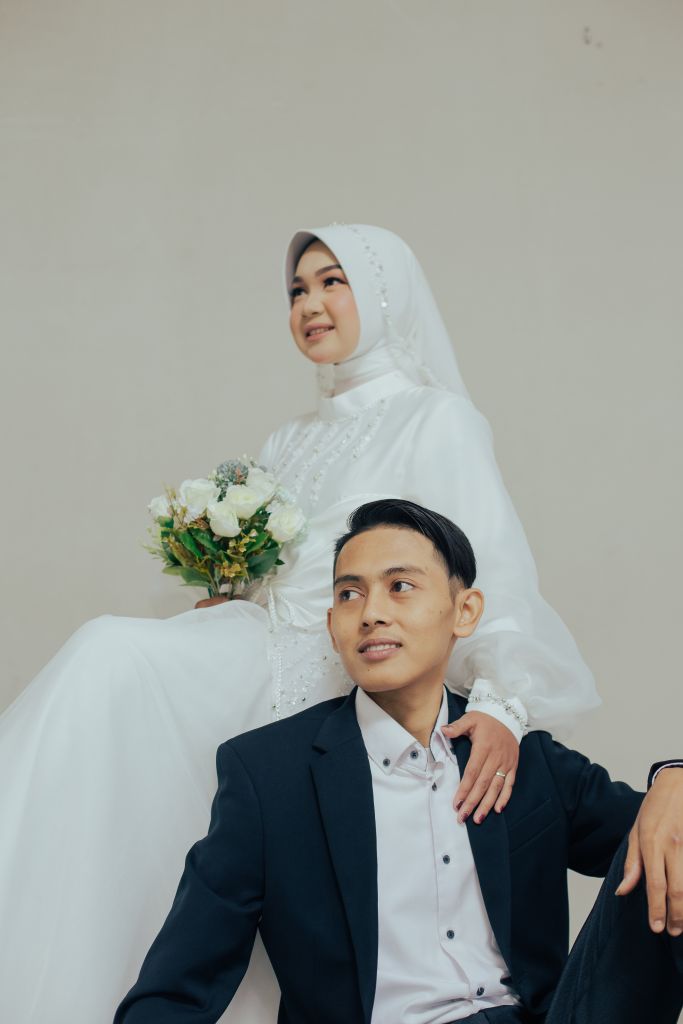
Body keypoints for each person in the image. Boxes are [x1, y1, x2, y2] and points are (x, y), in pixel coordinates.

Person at [0, 225, 599, 1023]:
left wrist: (499, 702)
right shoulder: (287, 436)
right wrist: (230, 592)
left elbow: (488, 571)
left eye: (332, 282)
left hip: (332, 667)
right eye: (296, 290)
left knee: (109, 654)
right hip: (258, 643)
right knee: (107, 696)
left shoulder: (436, 418)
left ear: (383, 296)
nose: (310, 304)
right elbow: (287, 578)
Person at [115, 498, 683, 1024]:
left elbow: (656, 834)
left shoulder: (523, 757)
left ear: (464, 611)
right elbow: (177, 986)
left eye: (401, 586)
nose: (371, 614)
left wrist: (674, 779)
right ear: (332, 625)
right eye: (349, 594)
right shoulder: (269, 775)